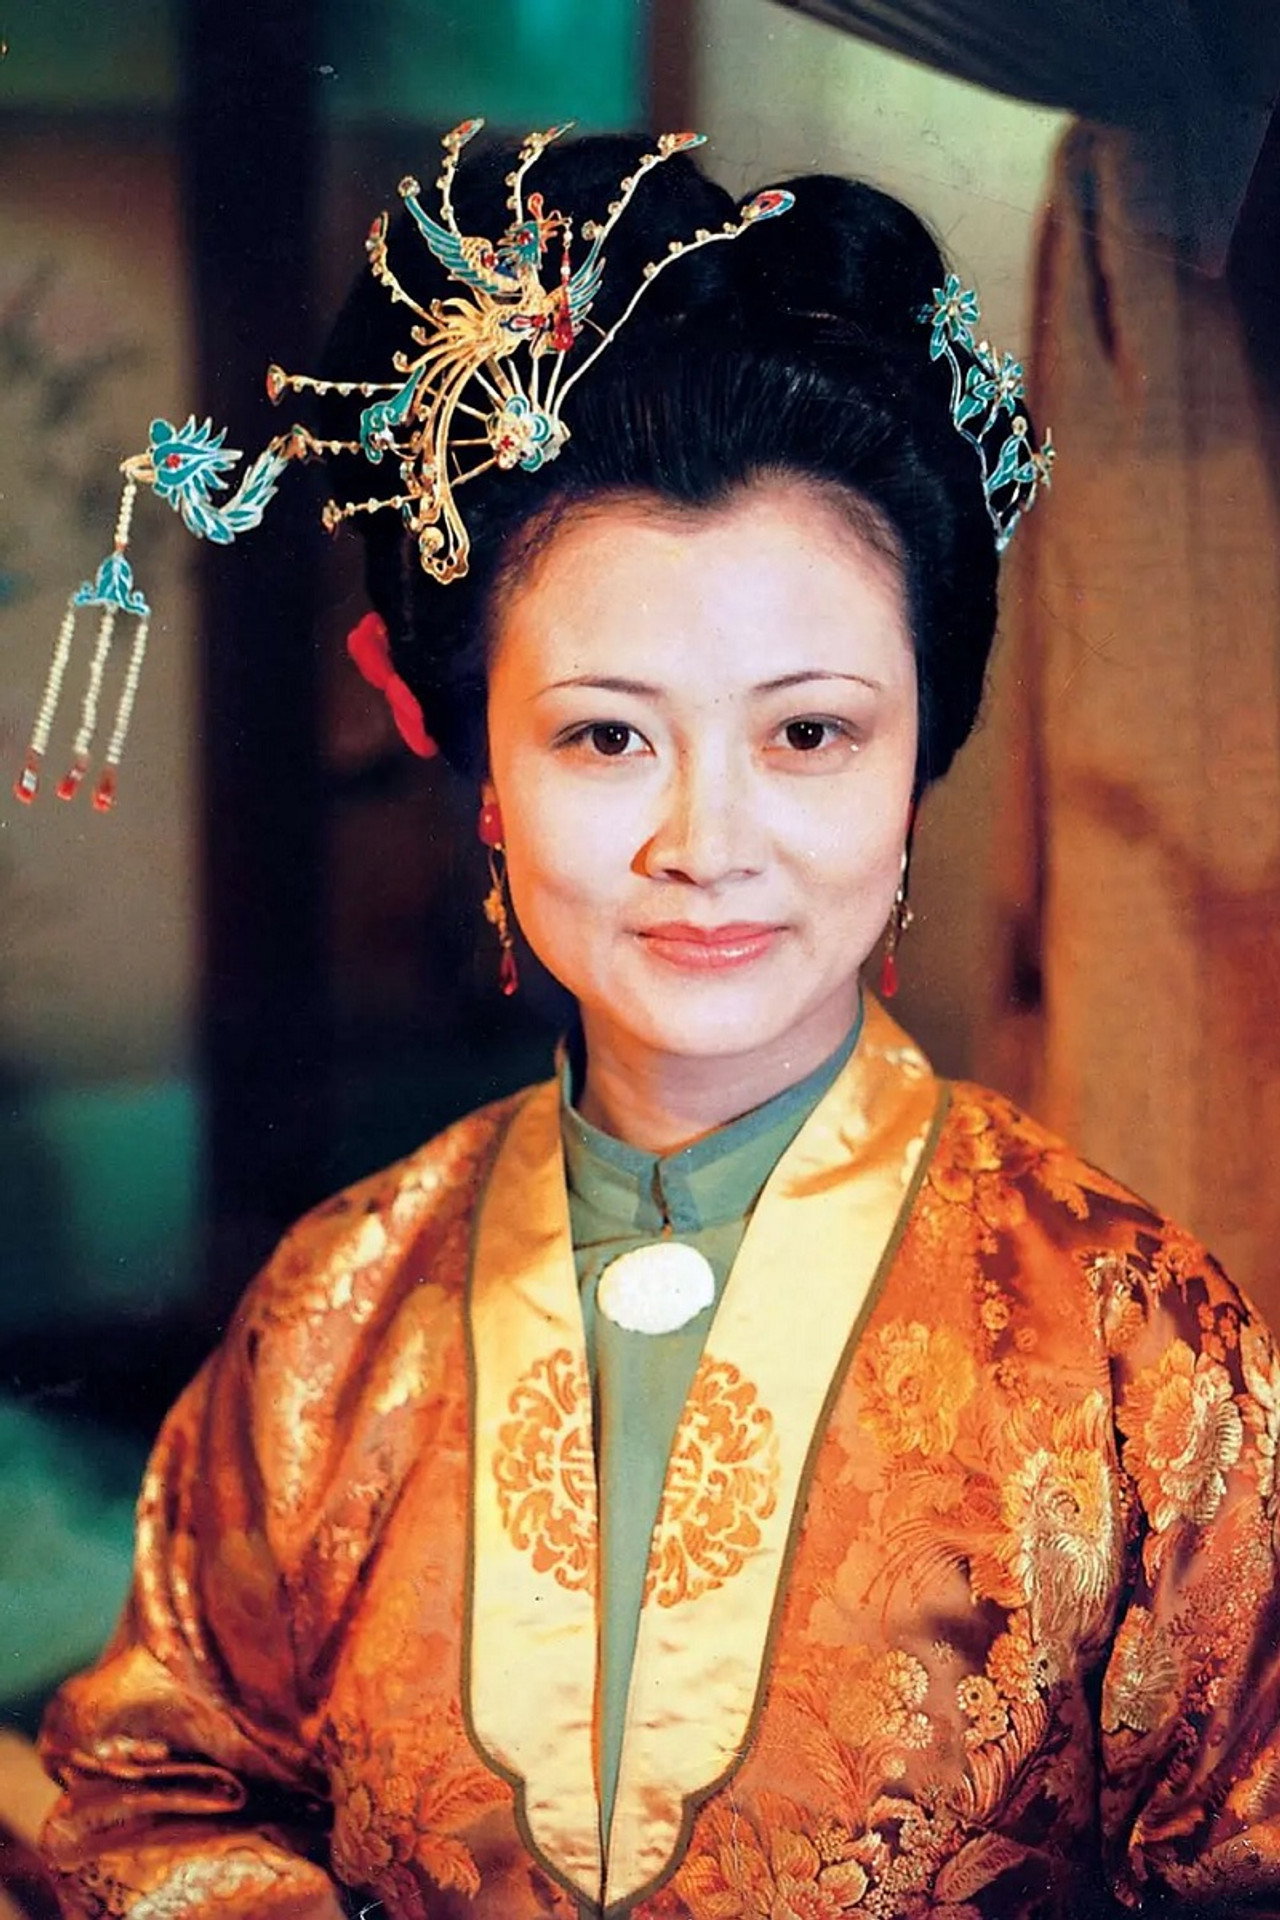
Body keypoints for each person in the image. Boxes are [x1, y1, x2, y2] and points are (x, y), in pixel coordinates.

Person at [34, 128, 1280, 1920]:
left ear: (921, 756)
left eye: (809, 733)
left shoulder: (1141, 1354)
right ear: (474, 758)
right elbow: (150, 1791)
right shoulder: (331, 1329)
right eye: (606, 734)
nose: (708, 843)